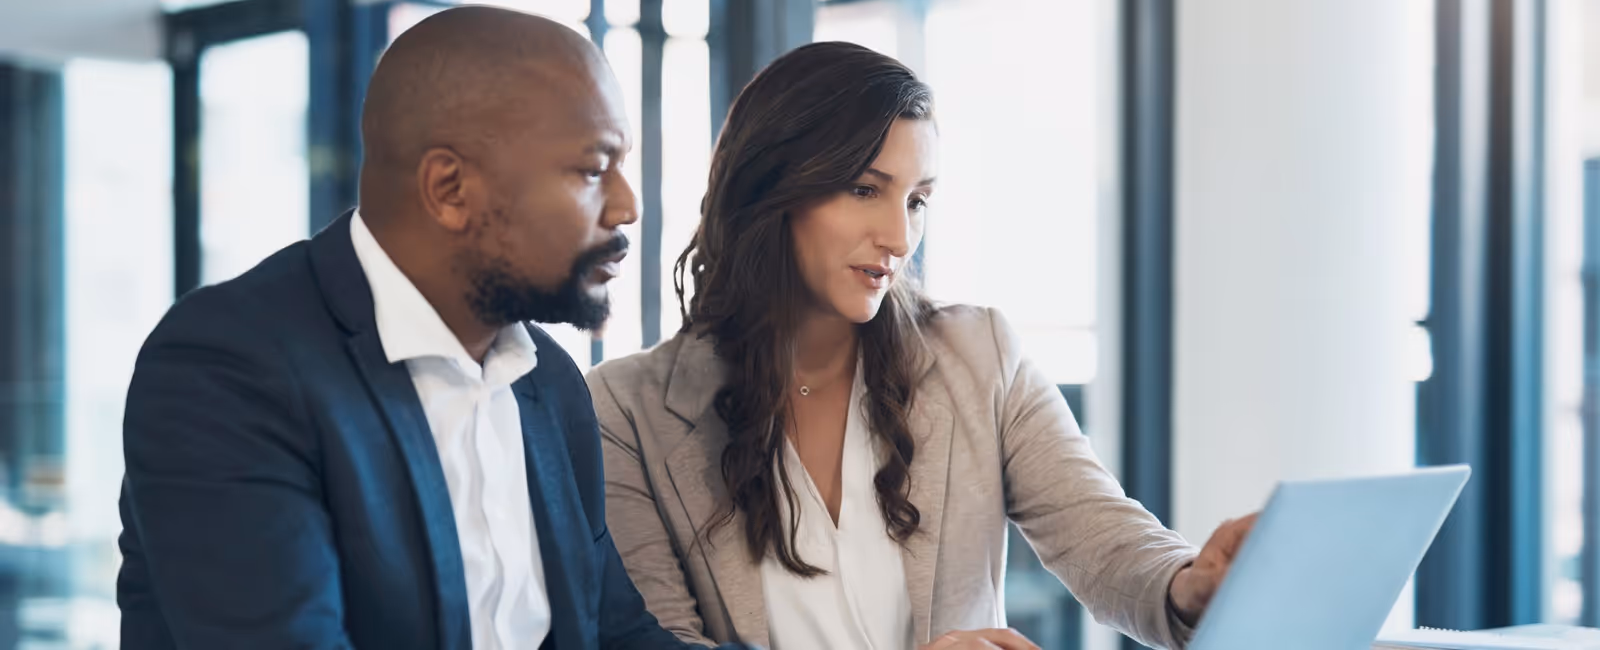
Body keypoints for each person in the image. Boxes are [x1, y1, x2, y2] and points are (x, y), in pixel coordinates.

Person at [586, 42, 1256, 650]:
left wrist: (1190, 582)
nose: (900, 238)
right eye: (864, 189)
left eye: (917, 200)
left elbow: (1101, 537)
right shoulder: (624, 413)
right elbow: (654, 643)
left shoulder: (979, 355)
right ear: (769, 189)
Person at [116, 7, 745, 649]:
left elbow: (612, 634)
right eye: (592, 169)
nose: (626, 206)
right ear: (449, 188)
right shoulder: (227, 368)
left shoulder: (548, 384)